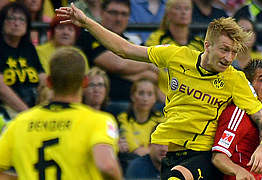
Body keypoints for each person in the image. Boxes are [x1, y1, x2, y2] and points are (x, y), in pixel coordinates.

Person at [56, 5, 262, 179]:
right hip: (169, 153)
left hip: (204, 155)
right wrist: (86, 22)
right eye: (224, 49)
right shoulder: (175, 56)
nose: (229, 58)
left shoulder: (235, 79)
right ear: (207, 45)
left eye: (234, 52)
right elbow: (124, 49)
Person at [0, 47, 123, 180]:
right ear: (85, 82)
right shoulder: (98, 121)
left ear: (48, 82)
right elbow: (107, 166)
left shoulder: (20, 122)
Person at [76, 0, 158, 105]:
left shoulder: (134, 40)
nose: (118, 19)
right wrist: (149, 65)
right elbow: (118, 64)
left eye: (124, 14)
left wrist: (123, 72)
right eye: (113, 13)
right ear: (102, 12)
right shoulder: (89, 36)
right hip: (105, 103)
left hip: (136, 105)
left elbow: (154, 76)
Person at [212, 59, 262, 180]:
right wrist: (238, 171)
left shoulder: (260, 114)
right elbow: (218, 157)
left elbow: (247, 160)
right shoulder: (238, 113)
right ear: (248, 83)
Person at [0, 2, 46, 119]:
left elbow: (42, 77)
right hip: (7, 109)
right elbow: (1, 88)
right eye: (11, 18)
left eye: (22, 19)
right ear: (2, 22)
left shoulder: (28, 48)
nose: (16, 23)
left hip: (32, 108)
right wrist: (27, 113)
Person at [118, 78, 164, 156]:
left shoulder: (161, 120)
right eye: (141, 93)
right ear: (132, 96)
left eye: (150, 94)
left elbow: (163, 147)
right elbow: (132, 147)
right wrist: (150, 150)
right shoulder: (123, 118)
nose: (145, 98)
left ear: (155, 98)